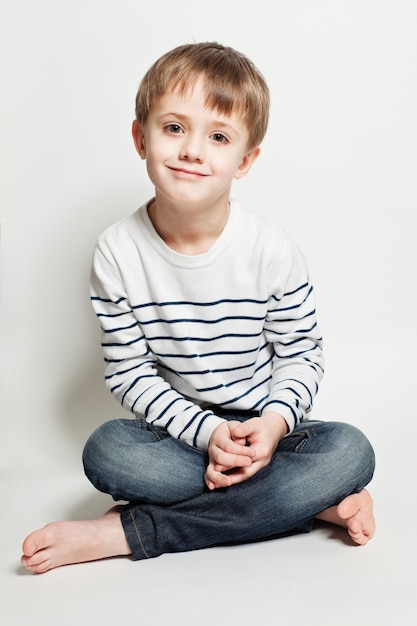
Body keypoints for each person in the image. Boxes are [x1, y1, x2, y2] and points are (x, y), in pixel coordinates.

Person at [21, 42, 375, 574]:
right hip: (180, 438)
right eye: (173, 128)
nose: (192, 150)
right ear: (141, 138)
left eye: (218, 137)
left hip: (266, 436)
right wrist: (208, 435)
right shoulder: (117, 251)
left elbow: (301, 354)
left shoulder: (271, 249)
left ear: (246, 159)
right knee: (107, 452)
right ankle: (310, 503)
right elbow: (129, 373)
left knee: (350, 452)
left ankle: (127, 531)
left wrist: (274, 427)